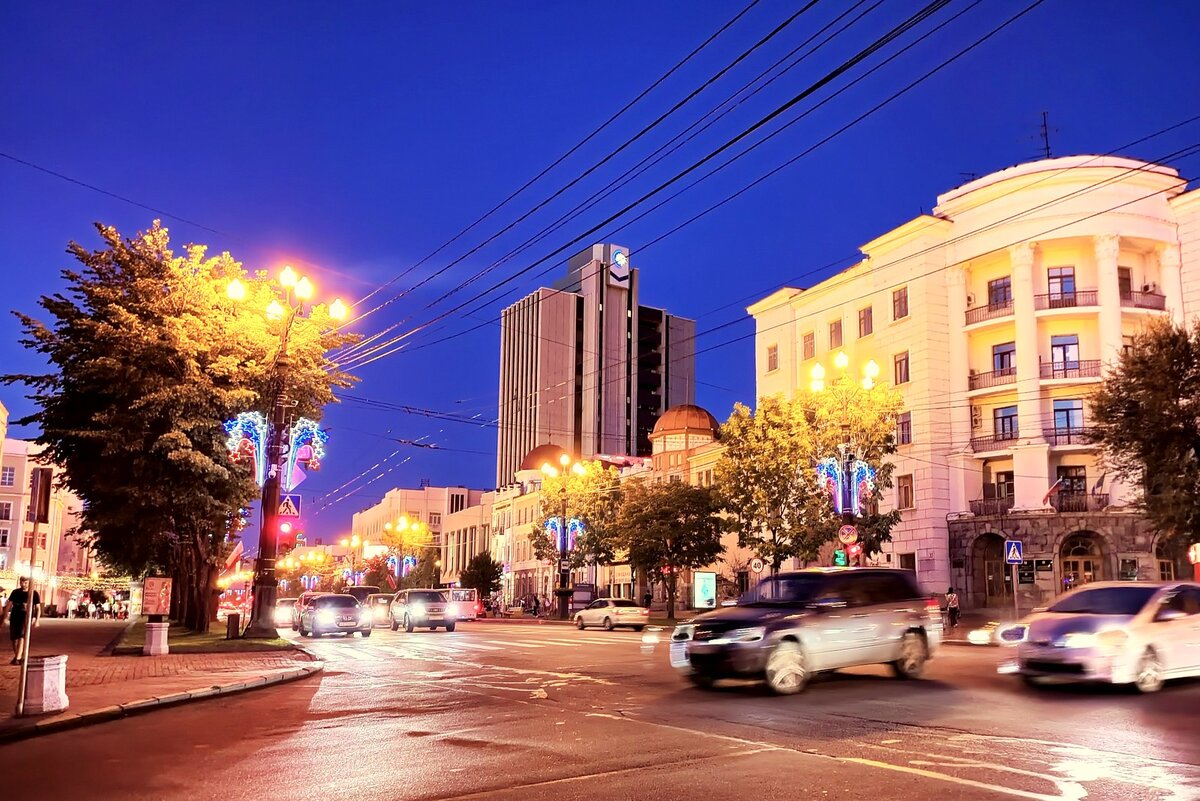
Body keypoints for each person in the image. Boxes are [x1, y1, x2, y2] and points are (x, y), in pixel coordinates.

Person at [2, 577, 41, 665]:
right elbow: (9, 605)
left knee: (21, 636)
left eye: (26, 583)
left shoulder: (33, 593)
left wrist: (37, 620)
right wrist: (5, 617)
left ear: (29, 583)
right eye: (22, 582)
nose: (23, 584)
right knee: (14, 638)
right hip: (15, 616)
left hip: (26, 618)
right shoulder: (15, 592)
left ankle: (18, 657)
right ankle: (18, 657)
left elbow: (38, 608)